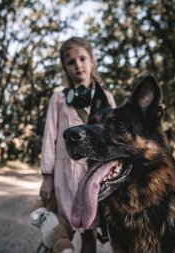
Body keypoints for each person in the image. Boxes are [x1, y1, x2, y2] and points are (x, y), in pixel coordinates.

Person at [39, 37, 116, 253]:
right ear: (65, 68)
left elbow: (114, 136)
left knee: (89, 233)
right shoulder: (59, 99)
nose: (78, 65)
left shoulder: (106, 97)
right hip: (65, 174)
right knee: (62, 229)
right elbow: (49, 137)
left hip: (94, 172)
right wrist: (47, 176)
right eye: (71, 62)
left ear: (92, 61)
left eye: (82, 59)